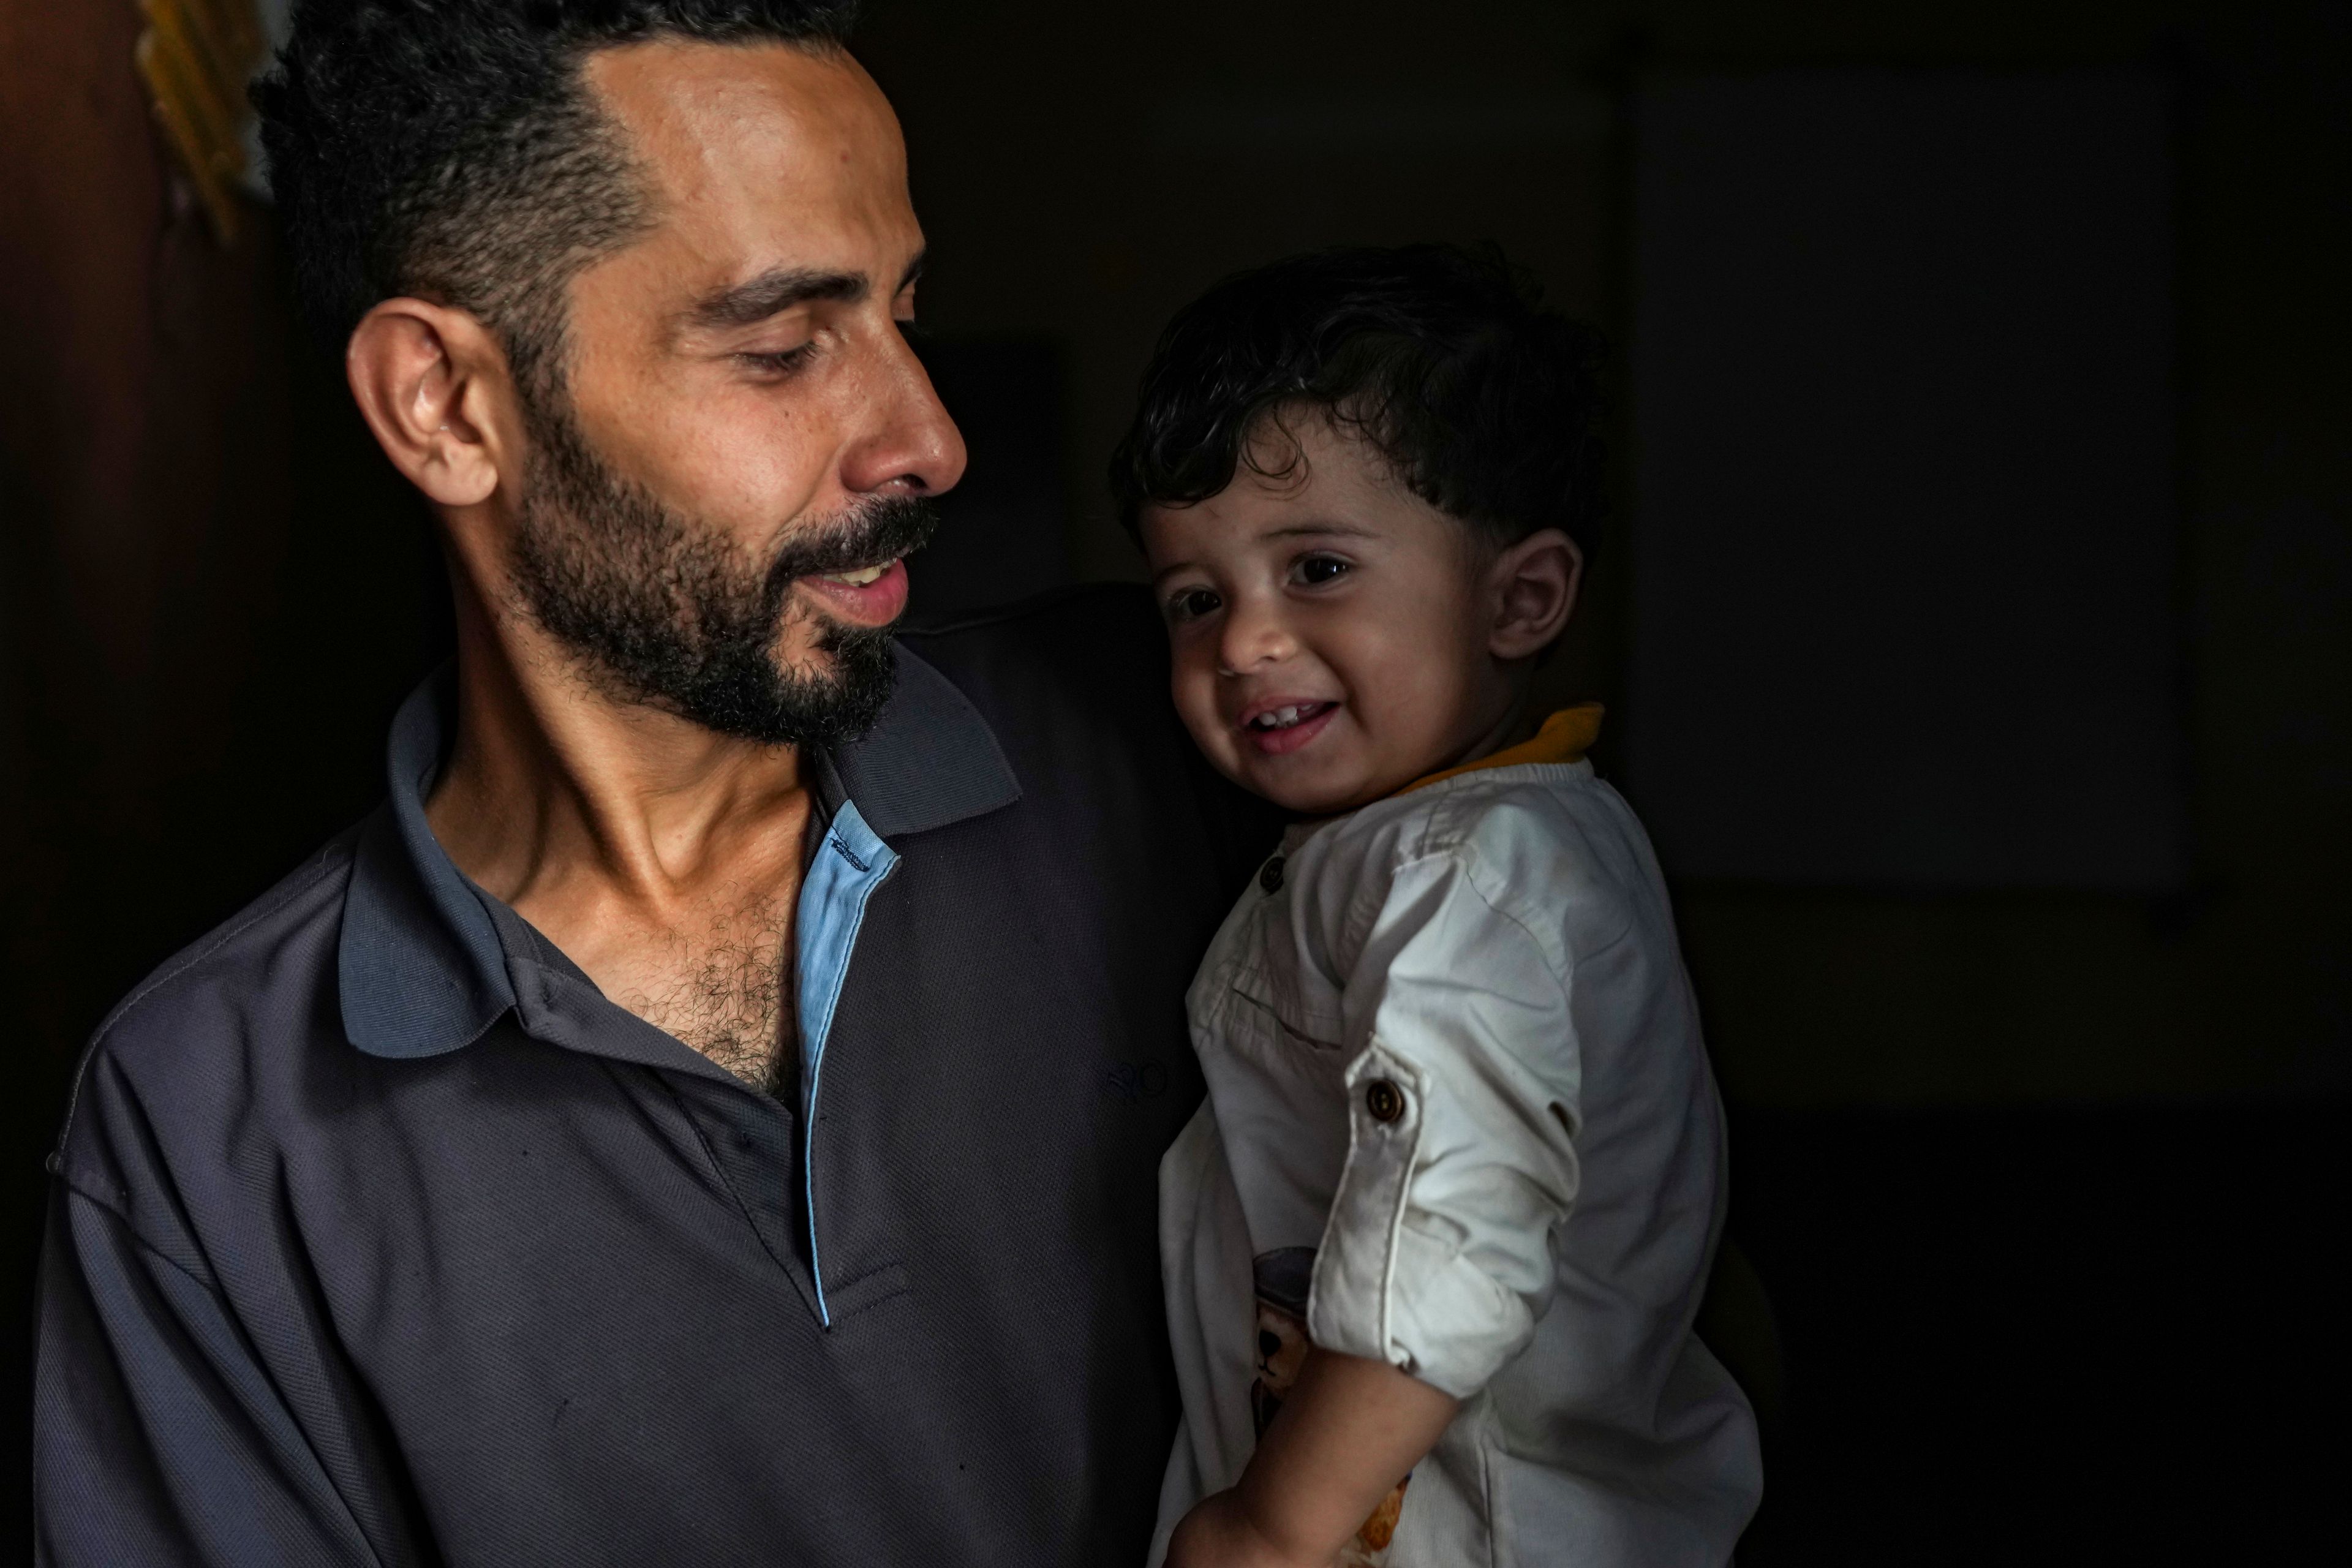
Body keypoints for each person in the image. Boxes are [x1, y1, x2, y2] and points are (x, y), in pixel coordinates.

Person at [31, 3, 1277, 1562]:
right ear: (446, 405)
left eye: (906, 308)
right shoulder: (205, 1123)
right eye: (779, 346)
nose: (929, 437)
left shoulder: (1200, 741)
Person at [1111, 246, 1764, 1567]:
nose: (1242, 641)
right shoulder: (1454, 840)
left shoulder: (1470, 872)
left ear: (1518, 597)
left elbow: (1451, 1237)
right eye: (1196, 597)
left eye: (1319, 570)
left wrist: (1273, 1526)